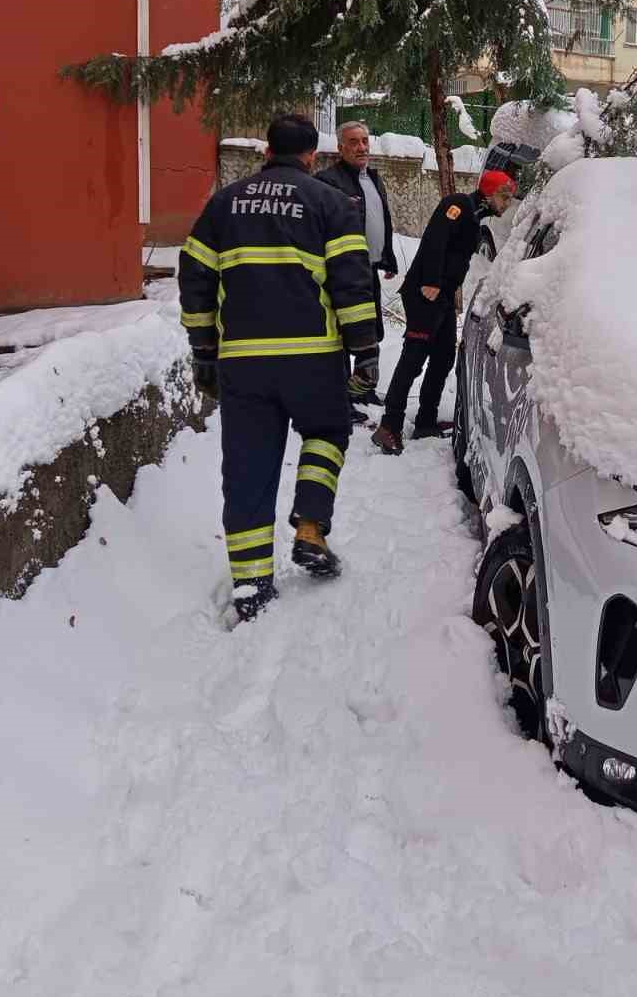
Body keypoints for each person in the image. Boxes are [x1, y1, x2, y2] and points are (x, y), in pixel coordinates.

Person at [178, 112, 378, 623]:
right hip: (312, 357)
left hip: (244, 363)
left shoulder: (224, 204)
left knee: (247, 465)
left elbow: (195, 275)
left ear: (267, 150)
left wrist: (204, 349)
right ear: (313, 155)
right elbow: (352, 281)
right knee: (328, 431)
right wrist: (365, 349)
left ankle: (251, 583)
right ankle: (310, 526)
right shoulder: (331, 203)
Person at [371, 169, 517, 456]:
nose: (508, 203)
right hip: (427, 294)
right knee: (413, 359)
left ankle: (426, 419)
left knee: (443, 358)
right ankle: (389, 426)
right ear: (489, 193)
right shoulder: (458, 205)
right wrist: (431, 282)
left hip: (443, 298)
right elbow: (435, 241)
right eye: (505, 196)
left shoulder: (475, 217)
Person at [315, 120, 399, 416]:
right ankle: (339, 400)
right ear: (340, 148)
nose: (361, 147)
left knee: (369, 330)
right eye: (353, 142)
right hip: (342, 275)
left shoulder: (374, 179)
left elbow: (380, 220)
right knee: (342, 334)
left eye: (364, 140)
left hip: (369, 270)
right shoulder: (329, 182)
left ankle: (363, 389)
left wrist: (387, 257)